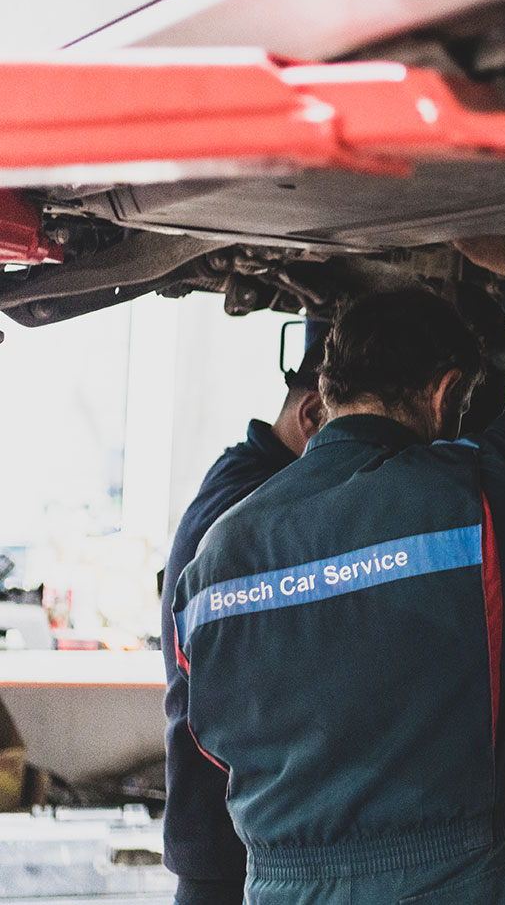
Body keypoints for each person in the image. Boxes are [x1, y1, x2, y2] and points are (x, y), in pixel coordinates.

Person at [163, 231, 505, 905]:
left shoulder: (215, 556)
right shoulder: (472, 491)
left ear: (326, 390)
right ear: (444, 395)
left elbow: (207, 738)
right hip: (457, 881)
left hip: (280, 886)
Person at [160, 333, 326, 903]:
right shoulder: (257, 511)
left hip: (226, 840)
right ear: (312, 414)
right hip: (234, 850)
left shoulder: (241, 481)